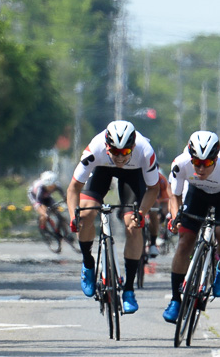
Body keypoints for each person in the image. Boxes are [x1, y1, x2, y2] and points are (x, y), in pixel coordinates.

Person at [66, 120, 161, 315]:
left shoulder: (145, 151)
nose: (119, 157)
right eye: (114, 152)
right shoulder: (95, 148)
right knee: (86, 213)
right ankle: (88, 264)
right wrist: (73, 216)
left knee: (133, 226)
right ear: (107, 146)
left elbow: (153, 189)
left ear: (132, 147)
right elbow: (73, 188)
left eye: (125, 152)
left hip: (134, 175)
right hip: (102, 169)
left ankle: (128, 290)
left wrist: (141, 214)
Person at [162, 131, 220, 322]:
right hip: (197, 194)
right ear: (191, 158)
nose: (201, 169)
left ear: (215, 159)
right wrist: (175, 217)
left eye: (207, 163)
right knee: (185, 242)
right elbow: (175, 195)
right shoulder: (180, 163)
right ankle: (176, 300)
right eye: (197, 163)